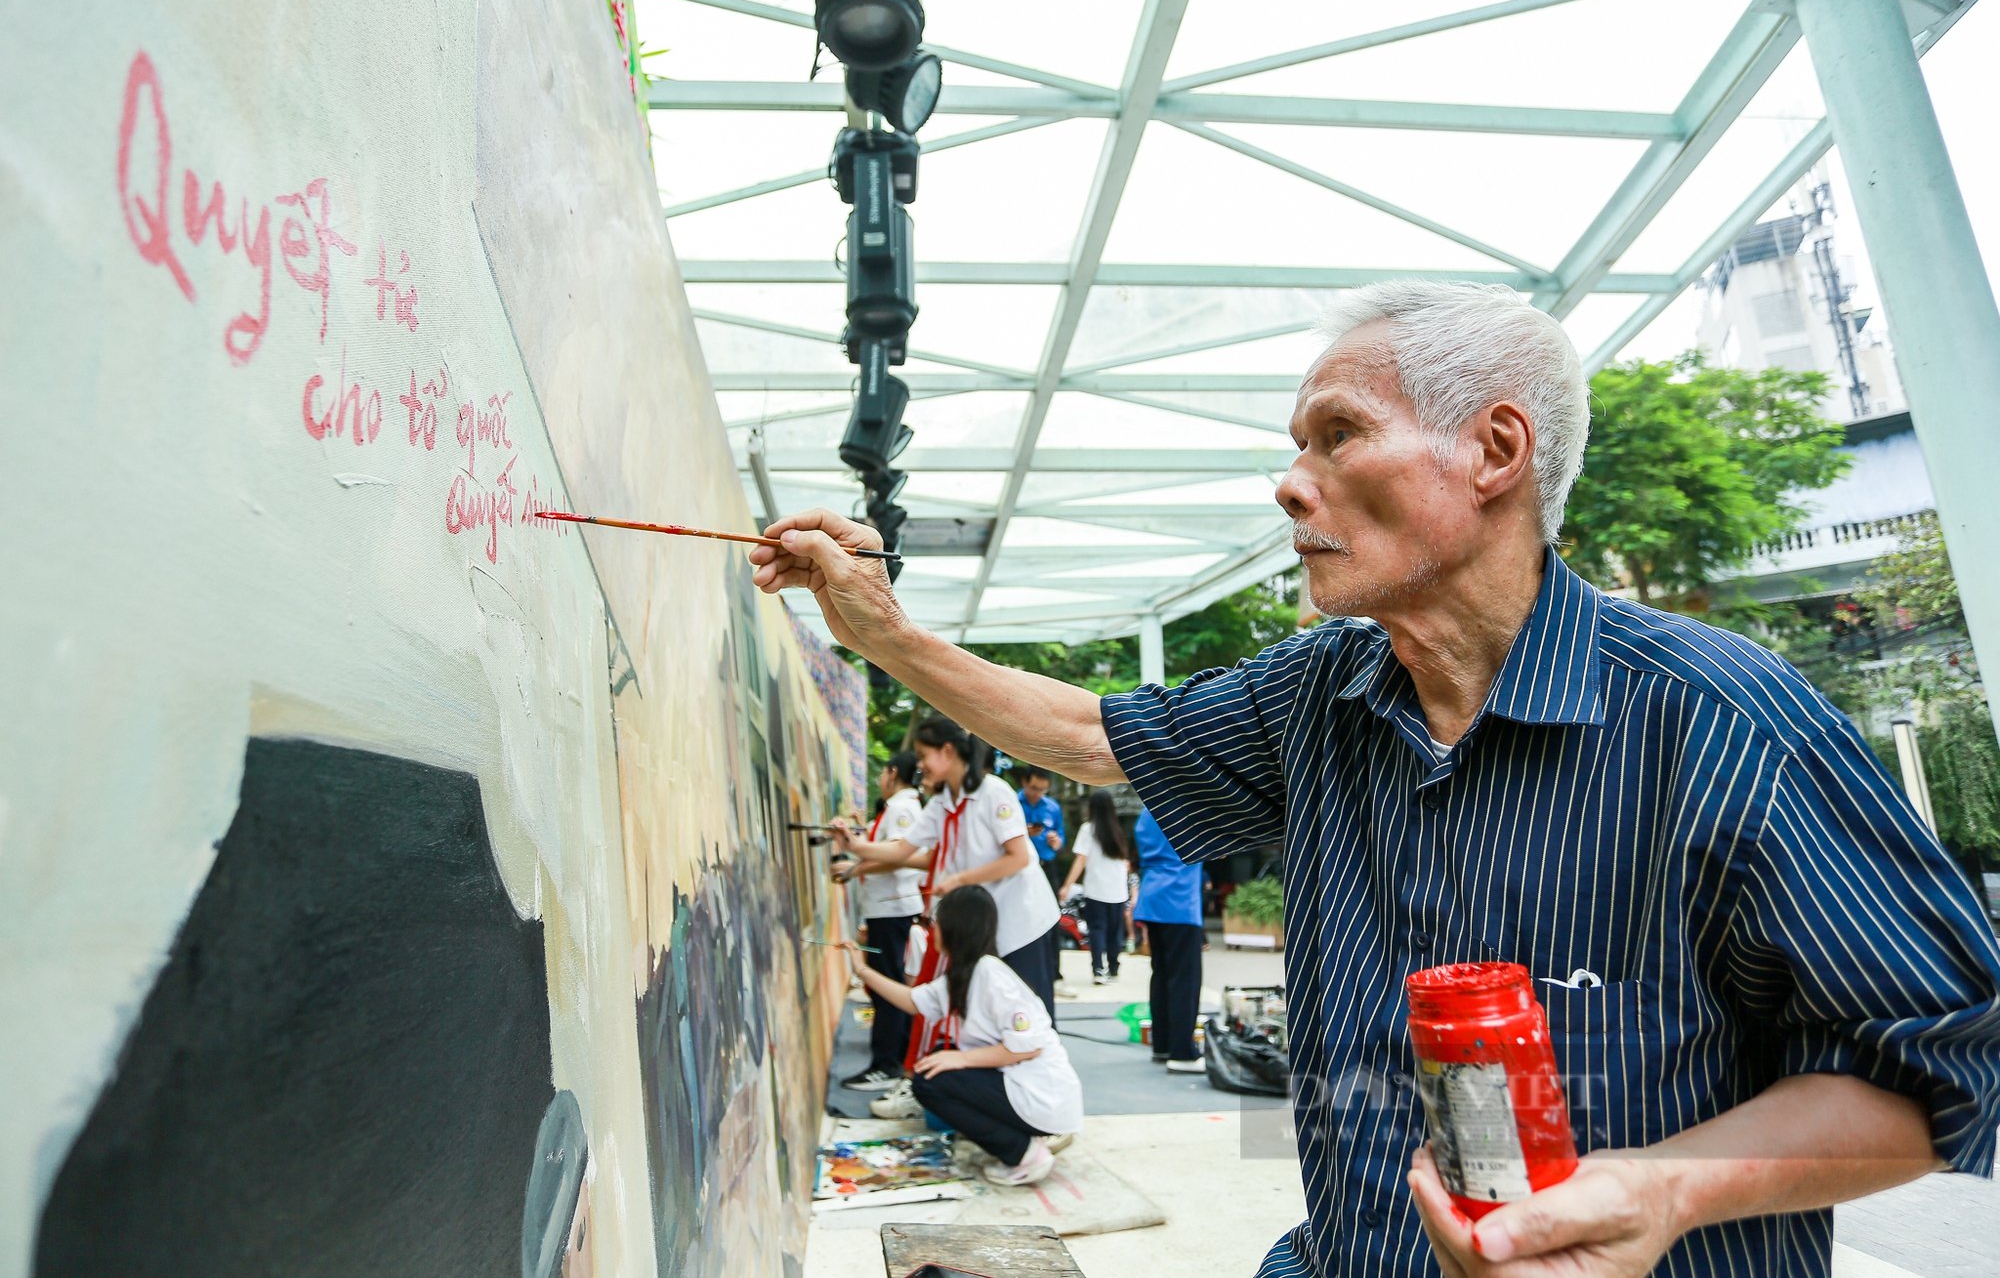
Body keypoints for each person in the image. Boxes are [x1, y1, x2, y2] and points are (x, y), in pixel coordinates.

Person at [748, 277, 2000, 1278]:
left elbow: (1934, 1072)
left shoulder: (1721, 721)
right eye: (1295, 444)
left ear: (1493, 449)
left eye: (1337, 435)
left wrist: (1660, 1190)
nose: (1289, 481)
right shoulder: (1319, 691)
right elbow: (1090, 733)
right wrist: (884, 634)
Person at [841, 885, 1083, 1187]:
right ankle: (1020, 1141)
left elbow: (1027, 1047)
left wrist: (961, 1058)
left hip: (1041, 1095)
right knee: (936, 1069)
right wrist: (861, 970)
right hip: (1022, 1087)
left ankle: (1025, 1154)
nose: (932, 932)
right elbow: (913, 1001)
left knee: (931, 1082)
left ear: (954, 928)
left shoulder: (990, 975)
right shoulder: (965, 974)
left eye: (936, 924)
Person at [834, 715, 1061, 1015]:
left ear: (948, 751)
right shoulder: (942, 803)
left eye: (923, 756)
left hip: (1022, 922)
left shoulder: (993, 792)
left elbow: (1018, 858)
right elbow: (904, 849)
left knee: (1030, 1014)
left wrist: (959, 880)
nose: (920, 766)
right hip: (985, 926)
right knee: (993, 1012)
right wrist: (854, 846)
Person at [835, 752, 926, 1092]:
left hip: (893, 908)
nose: (878, 780)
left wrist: (853, 867)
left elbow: (899, 857)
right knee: (888, 984)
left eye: (882, 773)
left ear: (892, 773)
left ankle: (886, 1064)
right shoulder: (899, 807)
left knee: (887, 987)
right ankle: (894, 1058)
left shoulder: (903, 808)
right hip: (887, 908)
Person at [1130, 807, 1205, 1072]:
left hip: (1153, 895)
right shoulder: (1186, 807)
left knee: (1161, 976)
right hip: (1180, 898)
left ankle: (1162, 1045)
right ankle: (1182, 1053)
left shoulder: (1146, 812)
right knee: (1185, 980)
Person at [1056, 790, 1132, 983]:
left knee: (1097, 929)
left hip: (1096, 889)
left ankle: (1099, 969)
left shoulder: (1088, 829)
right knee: (1115, 930)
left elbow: (1081, 860)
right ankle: (1114, 966)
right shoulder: (1118, 831)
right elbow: (1125, 863)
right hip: (1118, 891)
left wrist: (1067, 885)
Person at [1016, 766, 1075, 999]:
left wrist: (1055, 841)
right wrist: (1024, 833)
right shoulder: (1011, 802)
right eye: (1033, 788)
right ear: (1024, 783)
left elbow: (1060, 841)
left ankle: (1054, 974)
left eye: (1041, 790)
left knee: (1052, 920)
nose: (1036, 794)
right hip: (1020, 867)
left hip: (1047, 867)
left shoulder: (1052, 807)